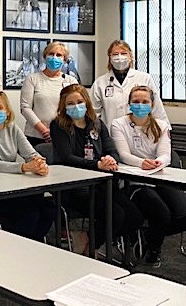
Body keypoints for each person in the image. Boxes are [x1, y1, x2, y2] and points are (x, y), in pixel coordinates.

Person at [50, 84, 143, 256]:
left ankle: (87, 238)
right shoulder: (58, 126)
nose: (76, 106)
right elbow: (67, 158)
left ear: (86, 102)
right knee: (115, 215)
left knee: (134, 217)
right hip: (76, 188)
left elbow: (112, 150)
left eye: (79, 101)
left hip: (102, 184)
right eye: (70, 103)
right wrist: (97, 165)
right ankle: (92, 249)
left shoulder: (97, 124)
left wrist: (110, 159)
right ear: (63, 106)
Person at [110, 86, 186, 267]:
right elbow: (123, 154)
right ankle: (153, 250)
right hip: (134, 180)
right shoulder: (118, 124)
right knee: (161, 213)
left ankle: (148, 236)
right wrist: (141, 163)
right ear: (129, 104)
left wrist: (159, 161)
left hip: (159, 176)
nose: (140, 105)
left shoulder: (161, 125)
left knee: (183, 214)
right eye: (136, 101)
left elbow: (166, 154)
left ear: (152, 105)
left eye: (145, 102)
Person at [0, 91, 56, 242]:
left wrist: (39, 163)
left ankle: (30, 246)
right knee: (30, 212)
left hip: (8, 189)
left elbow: (31, 153)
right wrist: (24, 167)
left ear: (7, 112)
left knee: (49, 209)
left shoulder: (12, 128)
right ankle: (14, 248)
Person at [90, 39, 169, 132]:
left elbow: (156, 107)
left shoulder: (144, 78)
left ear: (130, 56)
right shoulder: (100, 82)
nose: (119, 57)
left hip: (141, 132)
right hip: (110, 133)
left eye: (123, 53)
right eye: (115, 54)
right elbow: (93, 113)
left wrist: (165, 130)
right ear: (109, 57)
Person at [20, 42, 78, 147]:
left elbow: (75, 108)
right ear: (45, 56)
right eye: (51, 54)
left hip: (64, 135)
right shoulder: (32, 79)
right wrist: (44, 130)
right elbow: (25, 108)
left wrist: (57, 131)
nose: (54, 57)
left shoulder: (71, 81)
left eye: (59, 55)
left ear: (64, 60)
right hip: (35, 136)